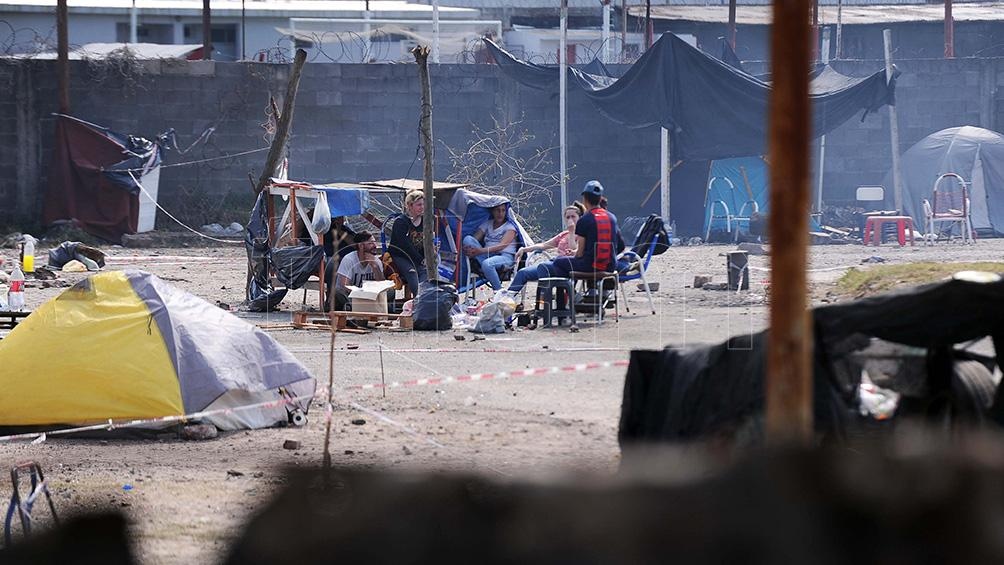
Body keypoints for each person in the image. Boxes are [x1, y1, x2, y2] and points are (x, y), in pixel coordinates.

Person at [542, 180, 623, 279]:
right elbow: (621, 246)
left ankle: (567, 292)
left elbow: (580, 254)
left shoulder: (584, 220)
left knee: (559, 261)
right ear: (600, 198)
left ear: (584, 200)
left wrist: (574, 254)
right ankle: (599, 288)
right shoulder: (612, 218)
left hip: (589, 266)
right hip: (610, 267)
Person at [504, 203, 584, 294]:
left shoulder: (582, 234)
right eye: (568, 217)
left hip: (568, 266)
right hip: (555, 263)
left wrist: (572, 232)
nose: (570, 219)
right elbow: (544, 245)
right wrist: (524, 249)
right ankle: (506, 299)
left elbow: (575, 250)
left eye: (573, 216)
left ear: (579, 218)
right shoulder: (563, 235)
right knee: (522, 273)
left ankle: (544, 299)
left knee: (544, 266)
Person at [463, 203, 518, 291]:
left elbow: (501, 246)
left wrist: (480, 251)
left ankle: (498, 292)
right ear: (492, 211)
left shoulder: (510, 227)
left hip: (504, 257)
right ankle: (482, 266)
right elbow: (474, 238)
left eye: (503, 210)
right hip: (487, 255)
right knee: (467, 239)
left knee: (487, 264)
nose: (500, 213)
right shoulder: (487, 224)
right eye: (497, 210)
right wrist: (469, 248)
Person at [388, 189, 431, 296]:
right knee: (412, 272)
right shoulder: (401, 222)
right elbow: (404, 245)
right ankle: (419, 297)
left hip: (418, 255)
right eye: (418, 205)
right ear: (410, 206)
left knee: (426, 272)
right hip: (401, 255)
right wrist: (420, 260)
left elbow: (427, 241)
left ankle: (425, 298)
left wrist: (428, 256)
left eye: (423, 205)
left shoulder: (426, 221)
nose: (422, 207)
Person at [329, 231, 384, 311]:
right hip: (350, 295)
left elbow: (382, 285)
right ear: (361, 246)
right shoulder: (349, 259)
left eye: (374, 243)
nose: (375, 246)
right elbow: (345, 286)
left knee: (390, 292)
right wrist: (362, 294)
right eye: (370, 243)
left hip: (369, 297)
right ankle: (358, 307)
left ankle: (357, 307)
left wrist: (375, 267)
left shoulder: (376, 261)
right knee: (337, 293)